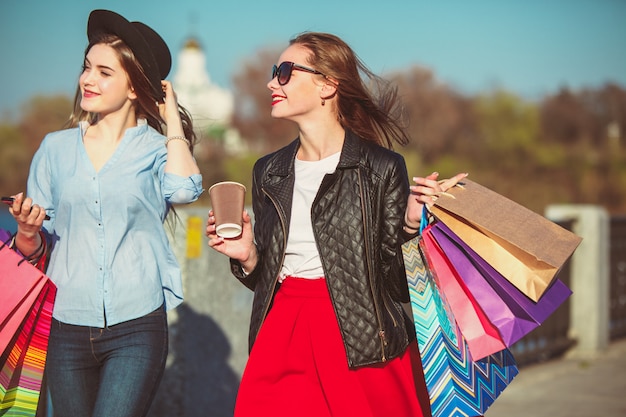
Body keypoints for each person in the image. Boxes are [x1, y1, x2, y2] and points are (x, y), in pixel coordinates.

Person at [206, 32, 466, 417]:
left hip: (360, 338)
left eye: (285, 72)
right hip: (282, 331)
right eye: (274, 72)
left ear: (327, 84)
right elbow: (265, 277)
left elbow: (396, 284)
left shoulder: (380, 168)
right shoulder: (269, 171)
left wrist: (411, 225)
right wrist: (248, 256)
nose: (271, 82)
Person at [7, 9, 203, 417]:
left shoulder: (156, 149)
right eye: (86, 67)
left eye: (104, 72)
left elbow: (185, 190)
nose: (87, 79)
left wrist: (171, 125)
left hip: (137, 326)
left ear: (134, 89)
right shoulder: (54, 149)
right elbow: (37, 245)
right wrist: (27, 229)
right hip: (64, 326)